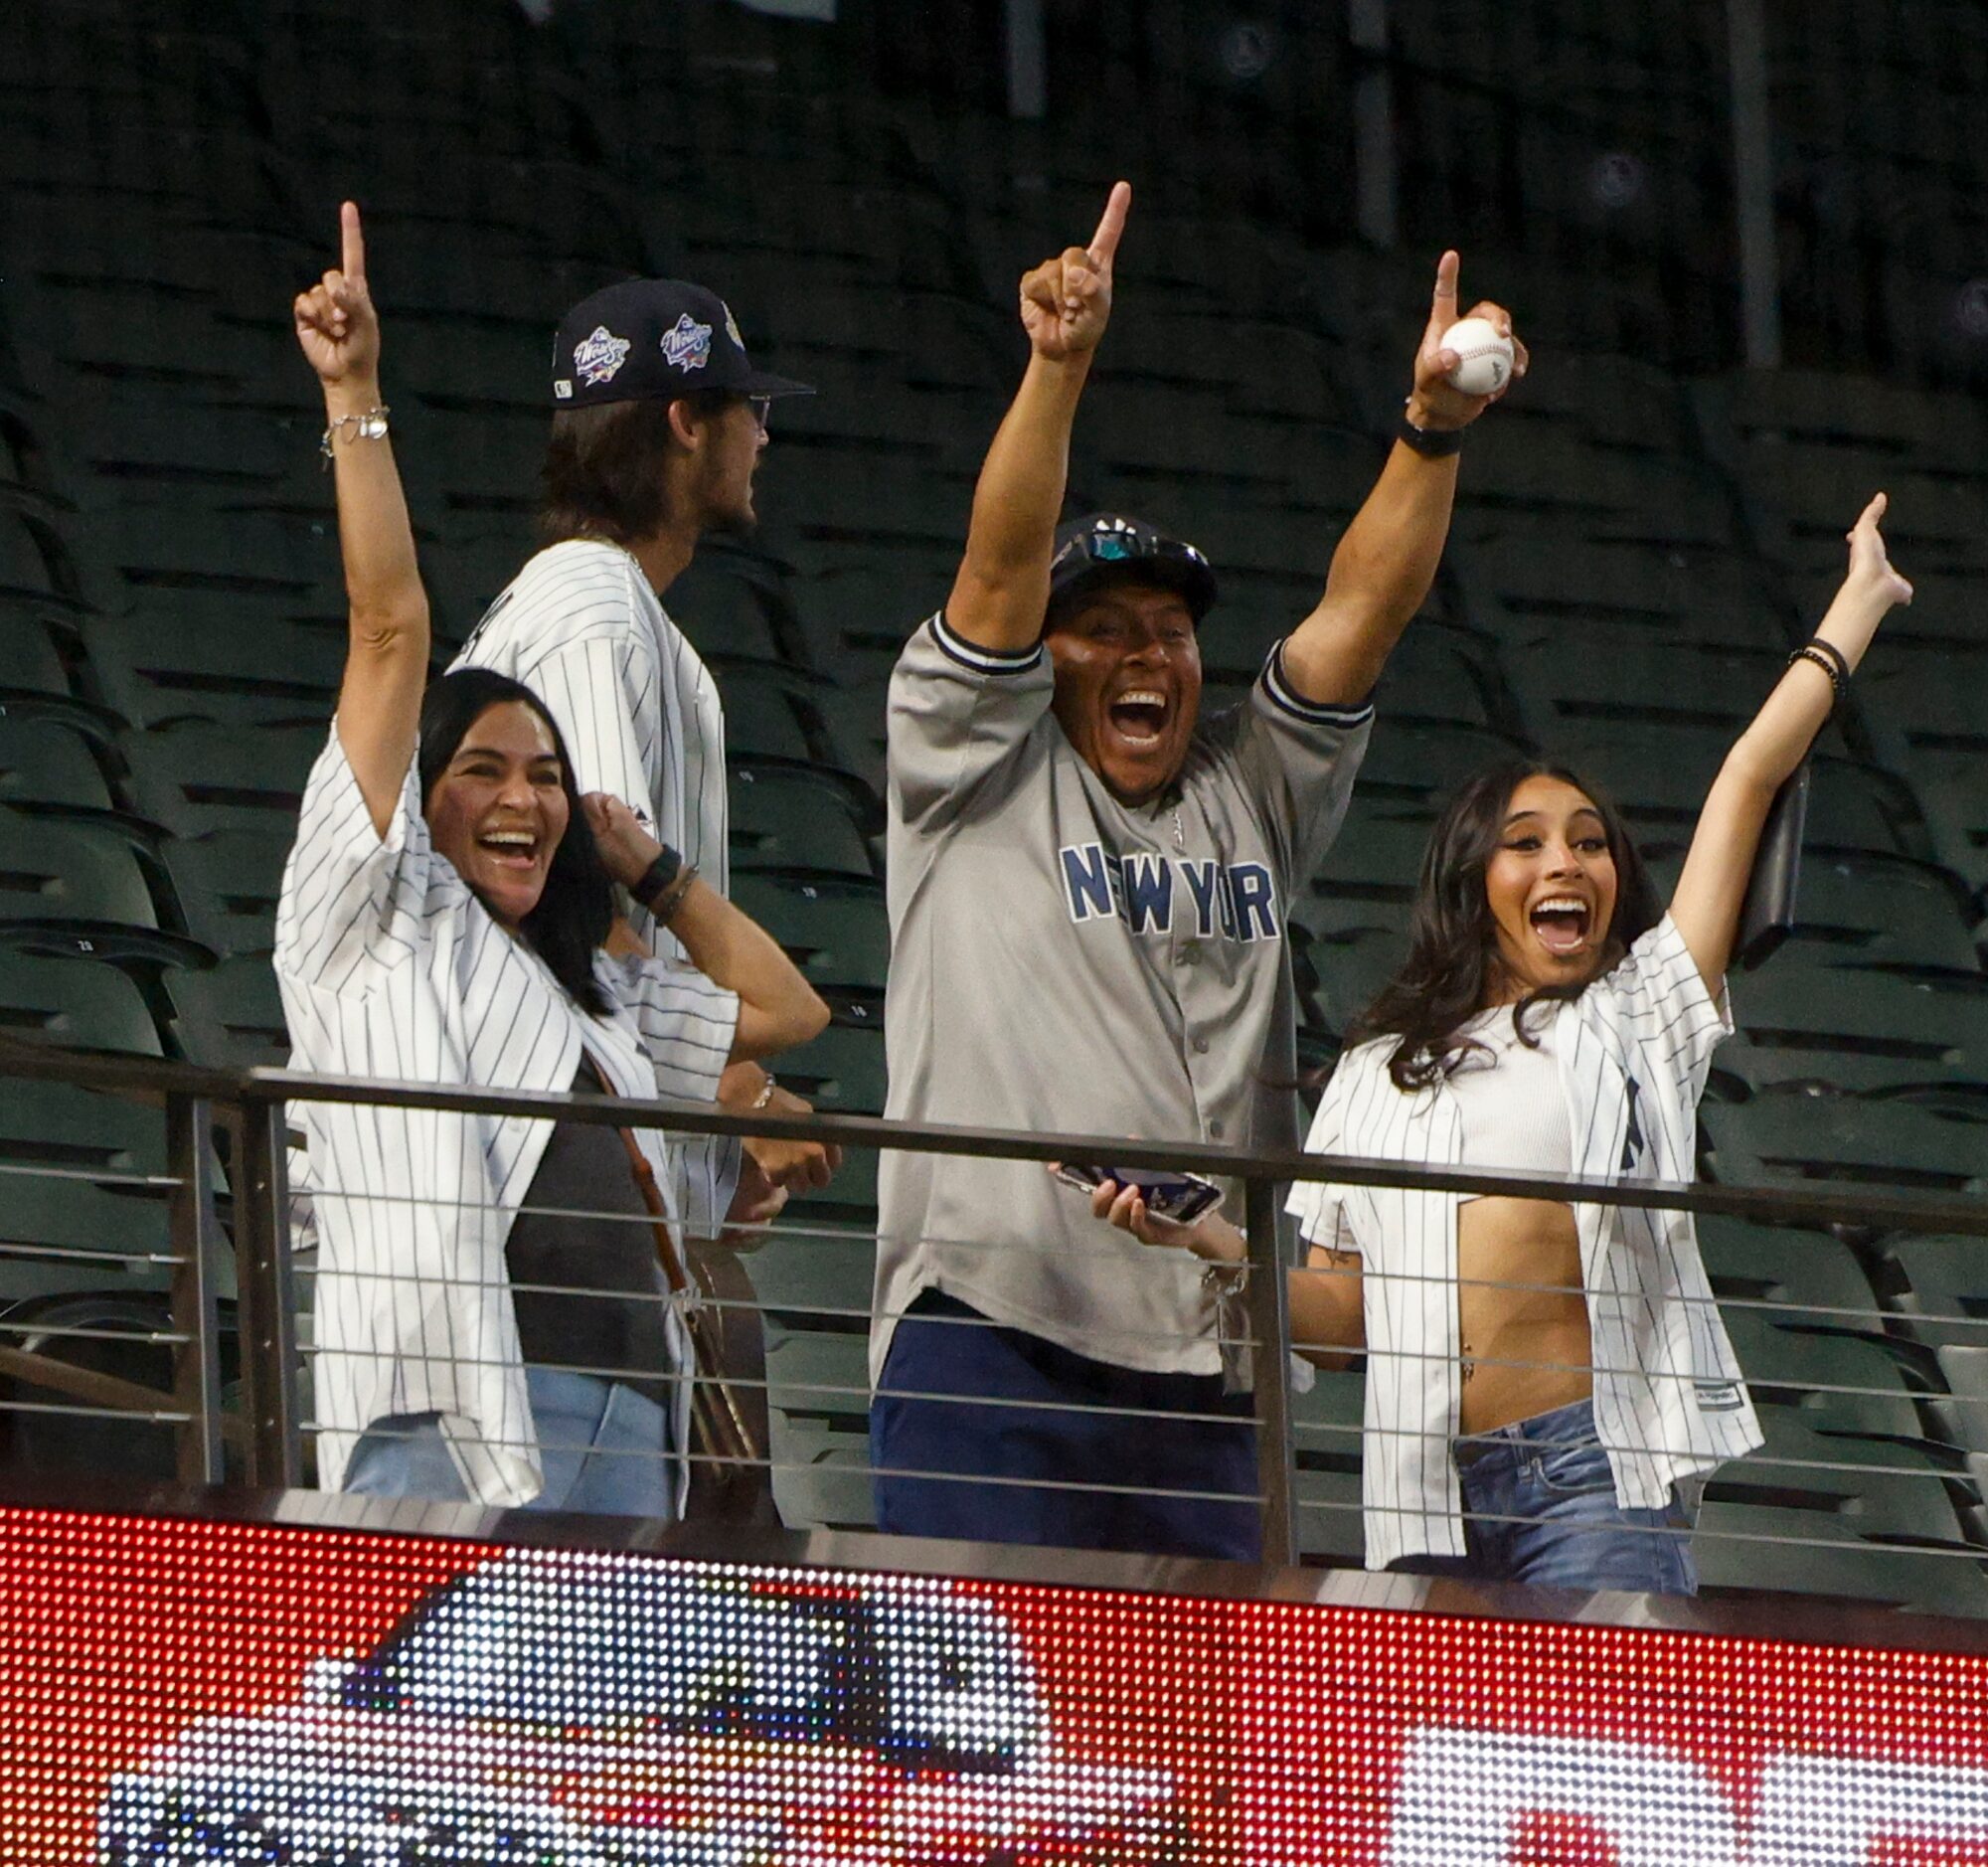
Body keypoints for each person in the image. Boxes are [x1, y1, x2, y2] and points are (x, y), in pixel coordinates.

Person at [868, 184, 1526, 1559]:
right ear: (1039, 661)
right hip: (992, 1327)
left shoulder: (1248, 793)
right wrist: (1056, 371)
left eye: (1168, 631)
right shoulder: (969, 772)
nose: (1145, 656)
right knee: (972, 1741)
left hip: (1206, 1364)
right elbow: (995, 573)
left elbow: (1364, 609)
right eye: (1099, 629)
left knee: (1201, 1763)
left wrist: (1430, 432)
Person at [1097, 496, 1913, 1593]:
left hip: (1596, 1471)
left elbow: (1748, 779)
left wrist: (1855, 610)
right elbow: (1336, 1331)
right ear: (1473, 884)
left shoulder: (1642, 1010)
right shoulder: (1378, 1069)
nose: (1566, 864)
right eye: (1526, 844)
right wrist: (1201, 1240)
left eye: (1590, 843)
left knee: (1599, 1754)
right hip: (1427, 1492)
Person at [278, 206, 831, 1515]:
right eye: (483, 771)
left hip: (620, 1402)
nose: (530, 797)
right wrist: (354, 397)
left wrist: (658, 876)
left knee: (602, 1727)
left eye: (546, 774)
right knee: (433, 1723)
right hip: (455, 1389)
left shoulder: (585, 983)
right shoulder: (381, 908)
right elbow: (386, 627)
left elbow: (789, 1009)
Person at [444, 267, 837, 1239]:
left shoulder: (589, 603)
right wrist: (733, 1087)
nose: (765, 435)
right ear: (686, 423)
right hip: (531, 1189)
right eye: (748, 408)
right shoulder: (594, 609)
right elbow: (582, 888)